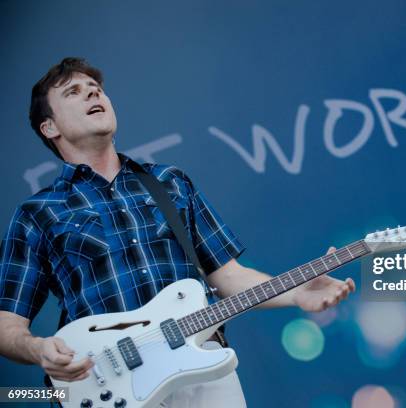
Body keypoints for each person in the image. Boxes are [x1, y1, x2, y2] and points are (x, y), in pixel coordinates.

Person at [0, 57, 355, 407]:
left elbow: (227, 276)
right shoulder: (38, 213)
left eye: (96, 90)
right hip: (108, 386)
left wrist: (297, 293)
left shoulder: (169, 182)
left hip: (202, 365)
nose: (94, 96)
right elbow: (6, 325)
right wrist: (38, 349)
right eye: (75, 92)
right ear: (50, 127)